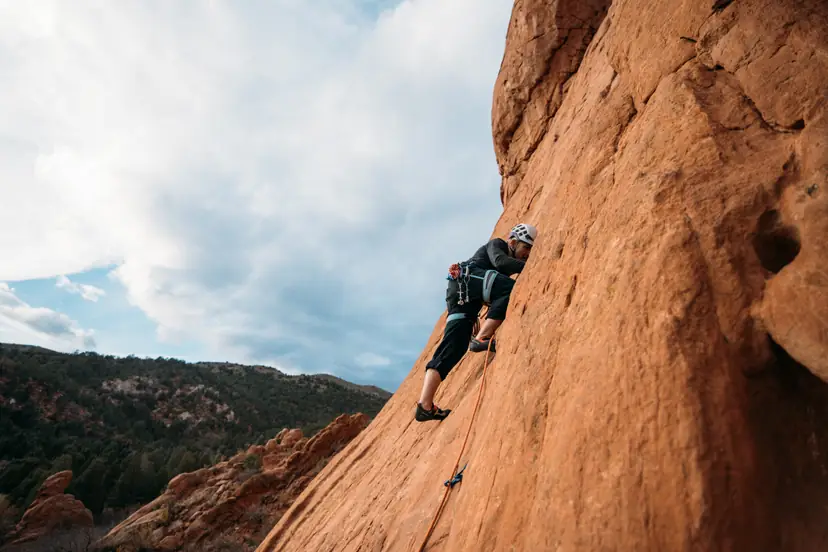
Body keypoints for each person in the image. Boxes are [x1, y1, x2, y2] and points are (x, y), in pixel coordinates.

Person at [415, 223, 537, 422]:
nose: (528, 254)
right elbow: (501, 263)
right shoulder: (498, 245)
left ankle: (424, 405)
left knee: (454, 346)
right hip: (469, 280)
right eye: (526, 248)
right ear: (513, 242)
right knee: (509, 288)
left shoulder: (505, 257)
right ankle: (483, 337)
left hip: (461, 294)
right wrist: (535, 266)